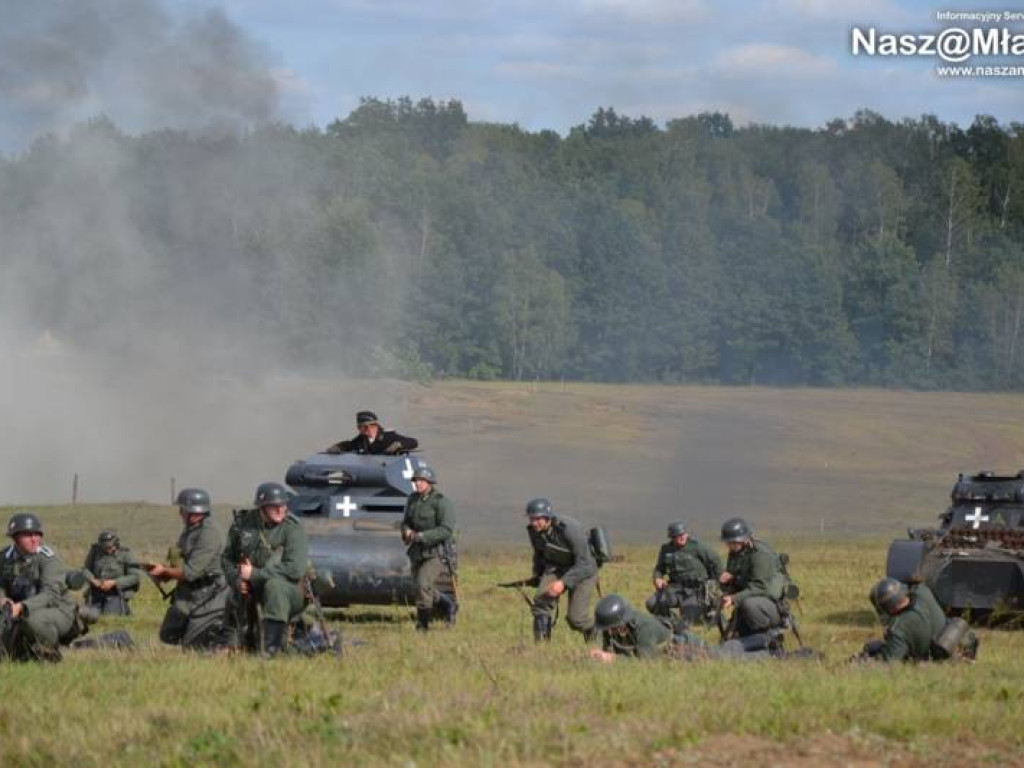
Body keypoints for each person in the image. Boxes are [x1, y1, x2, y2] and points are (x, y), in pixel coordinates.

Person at [222, 482, 309, 656]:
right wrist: (237, 580)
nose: (280, 510)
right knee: (232, 594)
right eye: (274, 506)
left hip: (290, 590)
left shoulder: (293, 529)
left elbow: (295, 569)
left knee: (274, 586)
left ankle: (272, 649)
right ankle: (234, 645)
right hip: (253, 586)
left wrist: (254, 574)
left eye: (283, 505)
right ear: (262, 507)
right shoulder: (243, 524)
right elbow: (227, 559)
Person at [0, 512, 87, 661]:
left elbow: (50, 594)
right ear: (15, 537)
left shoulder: (48, 558)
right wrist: (3, 599)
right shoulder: (4, 557)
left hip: (57, 609)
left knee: (34, 621)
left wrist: (21, 607)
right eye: (28, 535)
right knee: (7, 654)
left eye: (37, 534)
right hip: (17, 610)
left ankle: (50, 653)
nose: (35, 539)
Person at [149, 487, 228, 650]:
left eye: (182, 509)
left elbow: (191, 572)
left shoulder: (210, 533)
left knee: (192, 647)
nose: (180, 513)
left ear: (192, 511)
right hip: (190, 592)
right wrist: (165, 573)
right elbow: (181, 564)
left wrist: (164, 571)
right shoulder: (191, 529)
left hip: (211, 594)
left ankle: (221, 640)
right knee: (168, 634)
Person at [525, 497, 598, 642]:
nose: (534, 523)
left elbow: (585, 563)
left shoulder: (569, 529)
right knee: (541, 603)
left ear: (547, 517)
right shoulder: (534, 531)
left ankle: (601, 636)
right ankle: (541, 650)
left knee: (576, 619)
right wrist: (537, 576)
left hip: (583, 570)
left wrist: (562, 583)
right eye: (531, 519)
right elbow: (539, 554)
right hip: (557, 567)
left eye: (538, 519)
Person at [860, 578, 978, 662]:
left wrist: (864, 660)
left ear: (889, 607)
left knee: (873, 647)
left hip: (941, 657)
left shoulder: (900, 627)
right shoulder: (923, 592)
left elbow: (888, 660)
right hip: (956, 640)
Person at [401, 466, 457, 631]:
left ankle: (423, 625)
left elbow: (446, 529)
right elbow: (406, 521)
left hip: (436, 552)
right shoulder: (412, 500)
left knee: (423, 584)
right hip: (417, 552)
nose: (418, 484)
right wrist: (406, 531)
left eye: (421, 481)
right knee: (421, 588)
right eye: (416, 481)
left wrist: (422, 536)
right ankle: (448, 604)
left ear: (429, 482)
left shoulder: (441, 502)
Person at [718, 517, 788, 638]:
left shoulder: (760, 554)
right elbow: (737, 578)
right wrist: (728, 580)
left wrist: (734, 598)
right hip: (748, 599)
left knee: (748, 604)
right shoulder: (735, 553)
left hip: (769, 605)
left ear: (743, 539)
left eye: (732, 542)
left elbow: (760, 587)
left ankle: (768, 633)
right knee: (730, 638)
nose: (729, 545)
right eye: (728, 542)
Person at [647, 521, 722, 626]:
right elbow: (659, 568)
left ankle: (705, 615)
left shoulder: (697, 547)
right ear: (672, 538)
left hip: (694, 590)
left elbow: (716, 561)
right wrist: (657, 578)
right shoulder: (666, 549)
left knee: (687, 620)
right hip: (674, 588)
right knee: (652, 603)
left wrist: (716, 584)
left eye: (683, 534)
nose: (682, 537)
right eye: (678, 536)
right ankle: (669, 621)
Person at [589, 594, 673, 662]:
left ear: (620, 624)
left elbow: (646, 660)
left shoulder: (645, 628)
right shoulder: (612, 626)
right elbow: (610, 650)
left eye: (612, 628)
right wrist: (600, 656)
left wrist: (614, 659)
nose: (609, 632)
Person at [81, 530, 142, 616]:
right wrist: (94, 580)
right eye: (105, 548)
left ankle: (124, 609)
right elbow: (85, 569)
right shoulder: (95, 551)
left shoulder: (126, 553)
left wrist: (114, 582)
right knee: (87, 615)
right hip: (96, 592)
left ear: (116, 544)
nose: (108, 550)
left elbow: (135, 577)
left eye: (110, 547)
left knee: (109, 615)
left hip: (116, 593)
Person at [325, 410, 419, 455]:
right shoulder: (361, 440)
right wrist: (338, 447)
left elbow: (413, 442)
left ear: (370, 426)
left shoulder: (389, 436)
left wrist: (399, 444)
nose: (360, 430)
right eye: (359, 428)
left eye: (361, 427)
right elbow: (349, 445)